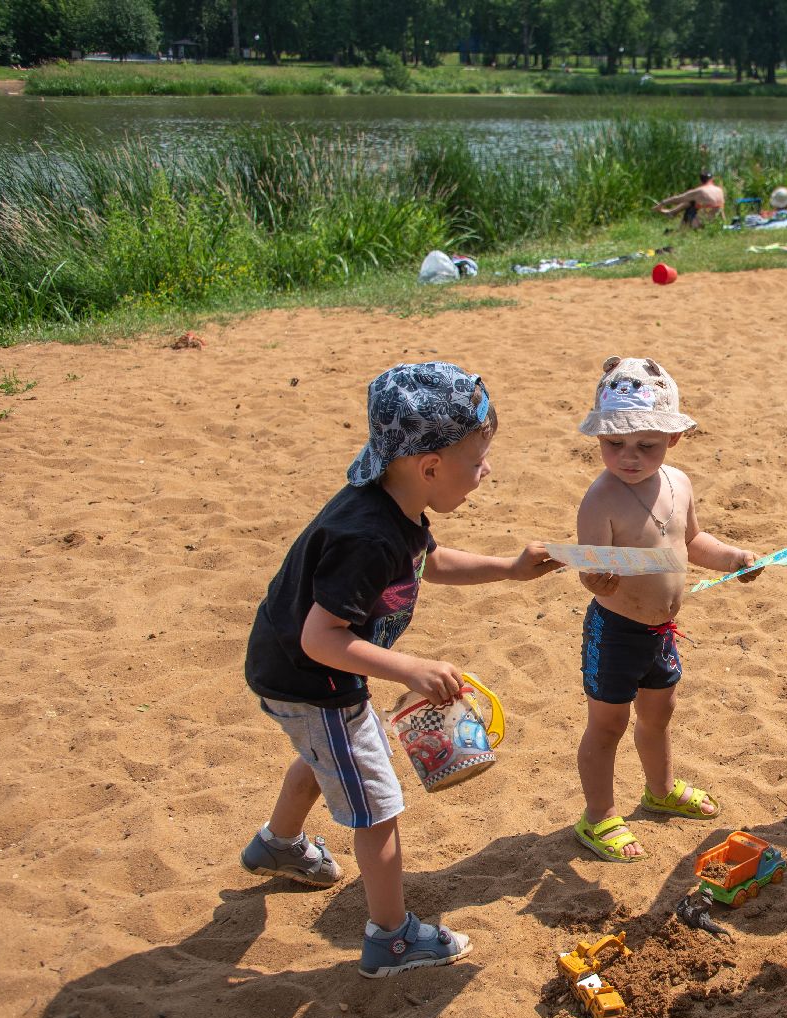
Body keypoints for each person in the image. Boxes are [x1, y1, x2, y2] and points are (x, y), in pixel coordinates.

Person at [240, 362, 560, 977]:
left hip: (302, 675)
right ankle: (391, 937)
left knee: (323, 755)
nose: (485, 471)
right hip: (315, 678)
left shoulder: (398, 508)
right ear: (430, 466)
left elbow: (430, 565)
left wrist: (509, 567)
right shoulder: (367, 535)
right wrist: (409, 668)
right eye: (477, 460)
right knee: (377, 805)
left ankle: (277, 845)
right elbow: (321, 638)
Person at [572, 357, 760, 862]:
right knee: (607, 725)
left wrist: (735, 558)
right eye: (615, 444)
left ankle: (659, 788)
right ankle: (597, 817)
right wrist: (599, 577)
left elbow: (695, 541)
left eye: (646, 445)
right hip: (615, 630)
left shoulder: (678, 483)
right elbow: (590, 570)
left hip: (662, 630)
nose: (629, 457)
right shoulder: (600, 499)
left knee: (659, 714)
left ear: (672, 440)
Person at [653, 172, 725, 229]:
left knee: (691, 203)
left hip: (700, 224)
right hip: (715, 223)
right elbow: (721, 208)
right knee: (693, 202)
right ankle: (672, 212)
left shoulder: (699, 191)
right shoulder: (719, 190)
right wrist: (724, 222)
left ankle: (677, 221)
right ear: (712, 179)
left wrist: (662, 203)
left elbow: (678, 199)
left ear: (700, 180)